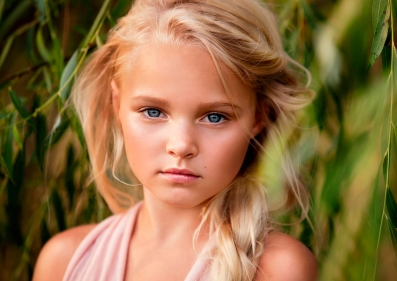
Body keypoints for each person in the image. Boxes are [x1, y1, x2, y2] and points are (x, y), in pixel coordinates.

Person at [33, 0, 318, 280]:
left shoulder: (276, 270)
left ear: (259, 117)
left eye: (215, 117)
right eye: (153, 112)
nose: (181, 145)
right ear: (116, 103)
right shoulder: (65, 262)